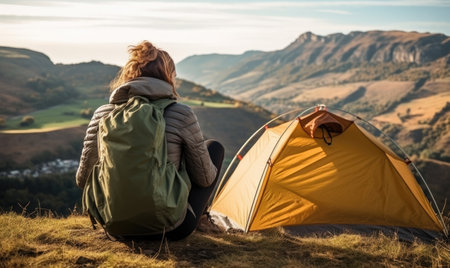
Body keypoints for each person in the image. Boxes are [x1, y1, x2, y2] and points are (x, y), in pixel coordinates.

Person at [75, 40, 224, 240]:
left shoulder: (103, 115)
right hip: (172, 228)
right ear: (168, 76)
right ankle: (202, 218)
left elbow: (82, 179)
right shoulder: (181, 113)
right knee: (214, 148)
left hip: (115, 228)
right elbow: (204, 179)